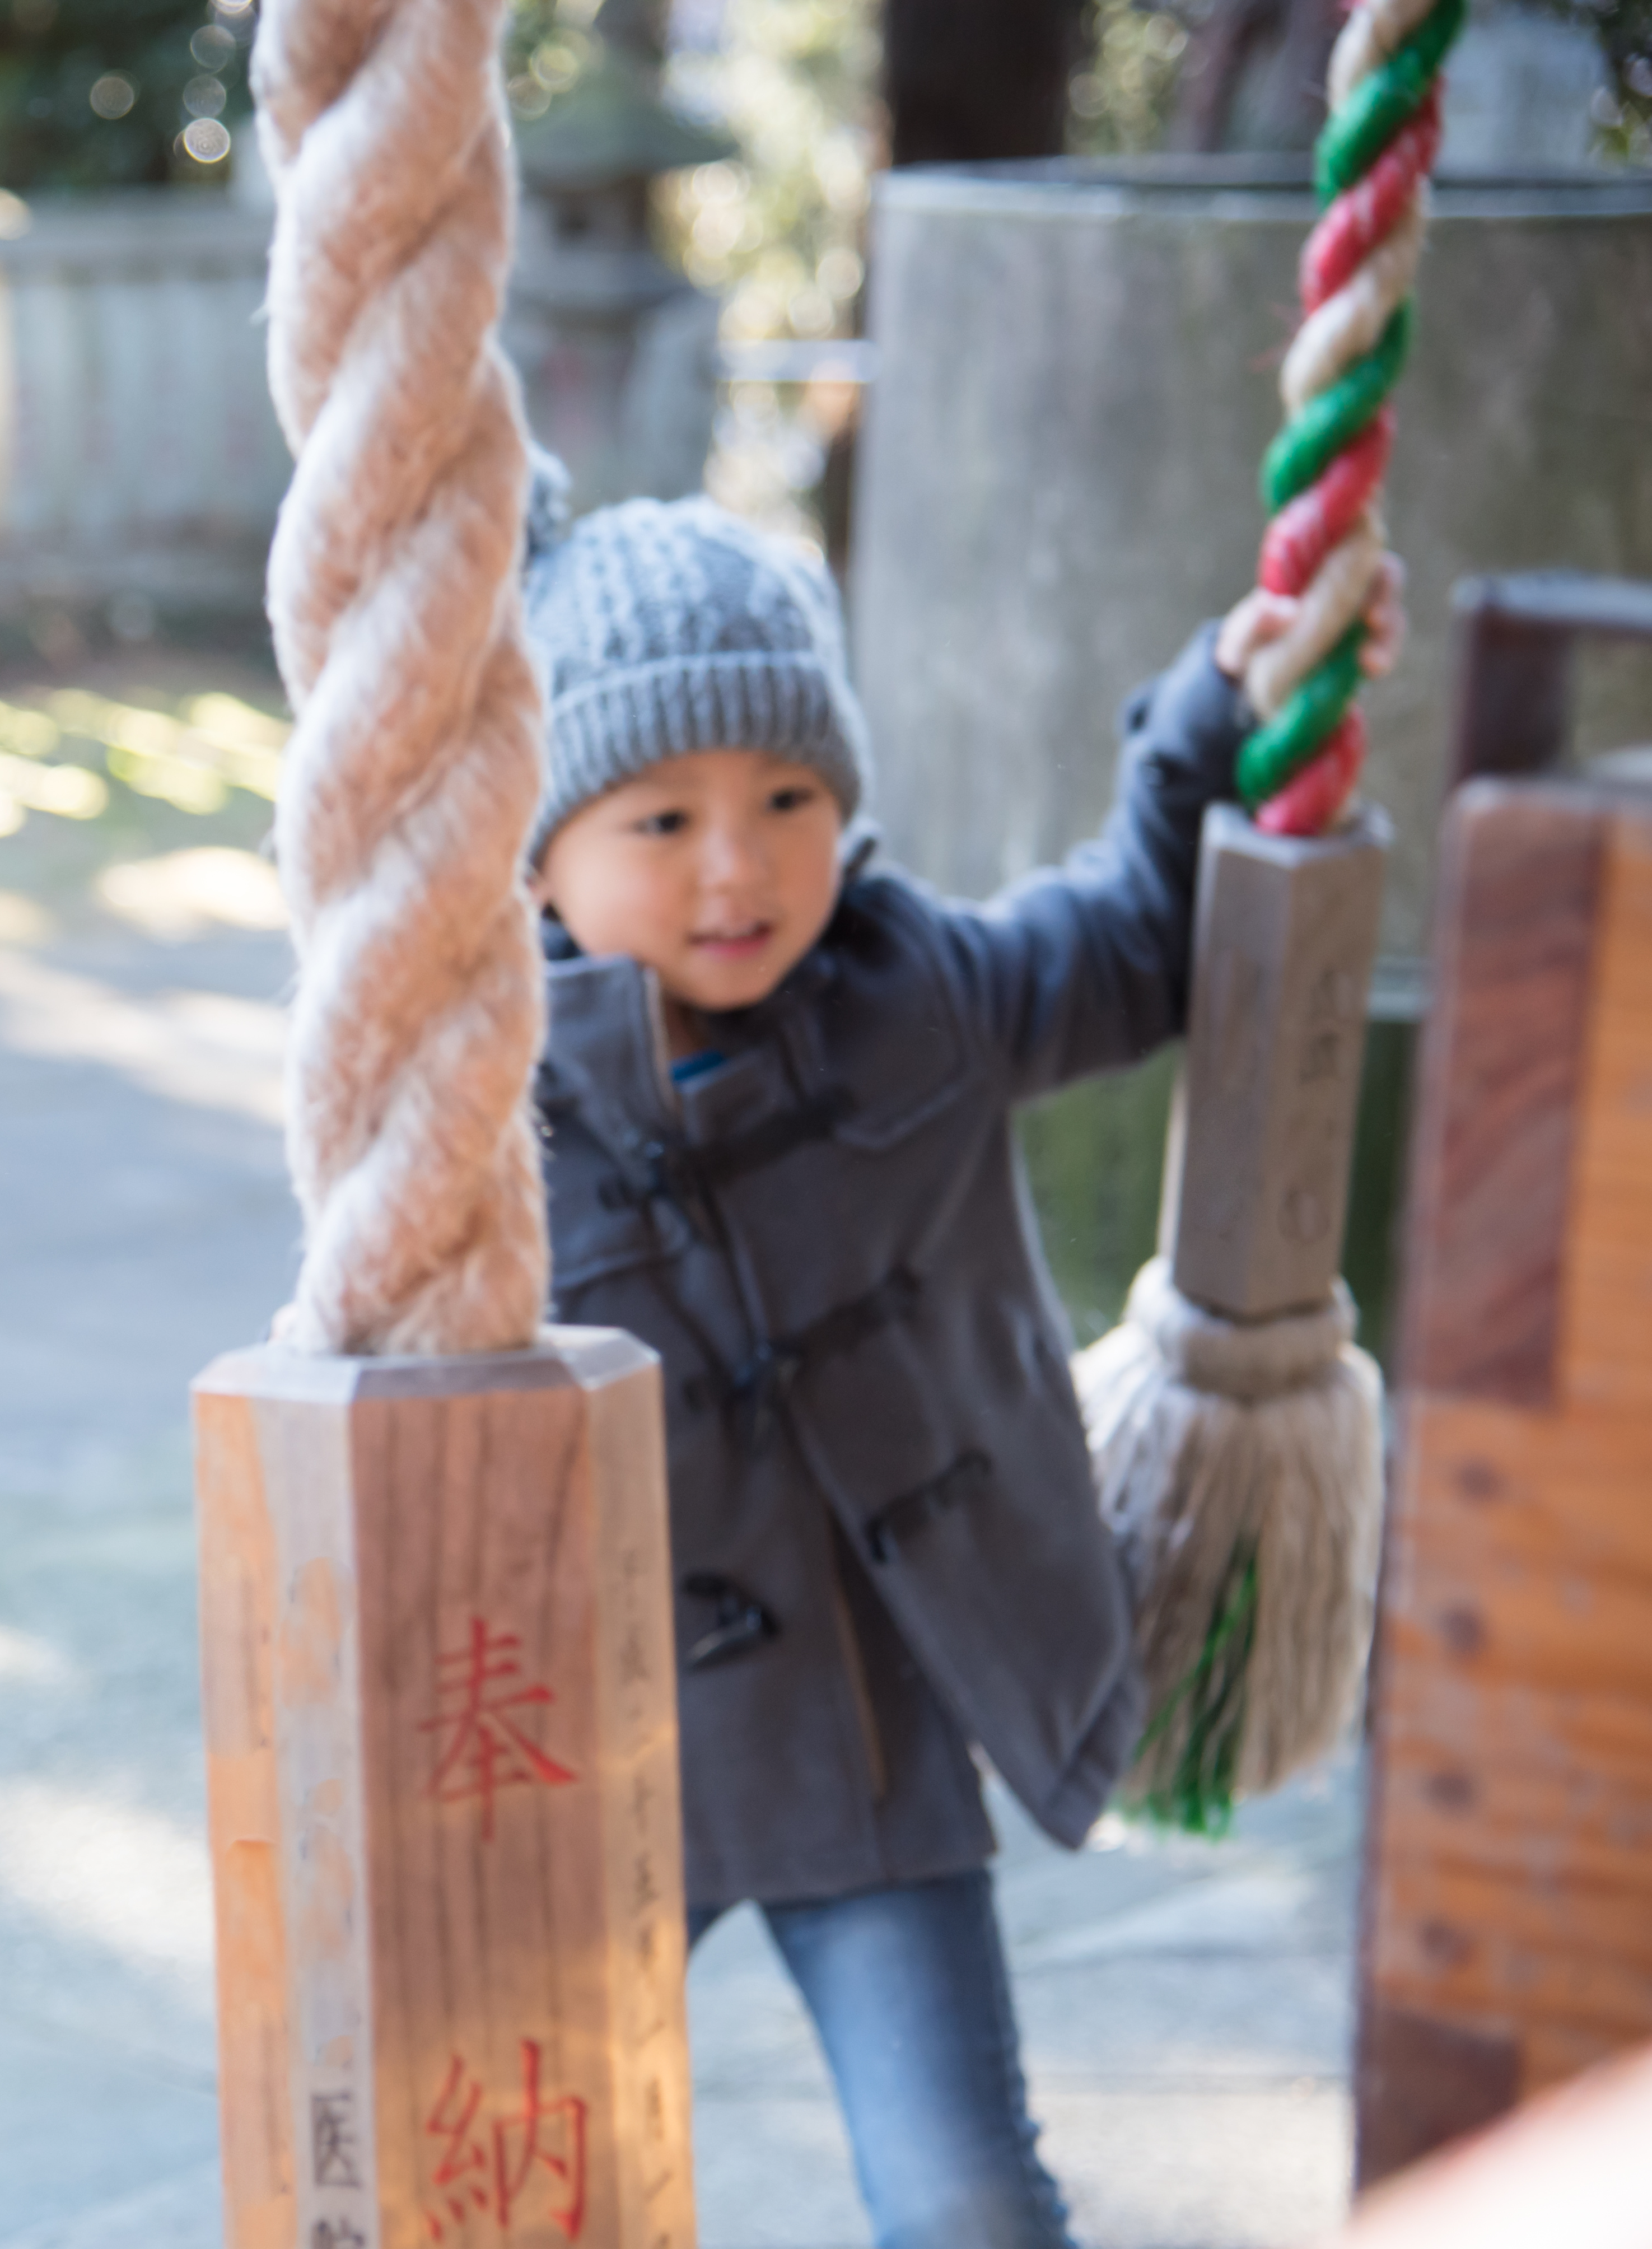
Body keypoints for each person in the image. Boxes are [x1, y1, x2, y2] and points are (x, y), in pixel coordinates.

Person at [518, 461, 1399, 2249]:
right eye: (660, 820)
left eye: (787, 798)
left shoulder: (916, 992)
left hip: (863, 1739)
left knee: (970, 2200)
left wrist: (1223, 709)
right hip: (600, 1757)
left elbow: (1137, 939)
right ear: (536, 853)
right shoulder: (480, 1108)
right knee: (526, 2177)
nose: (741, 865)